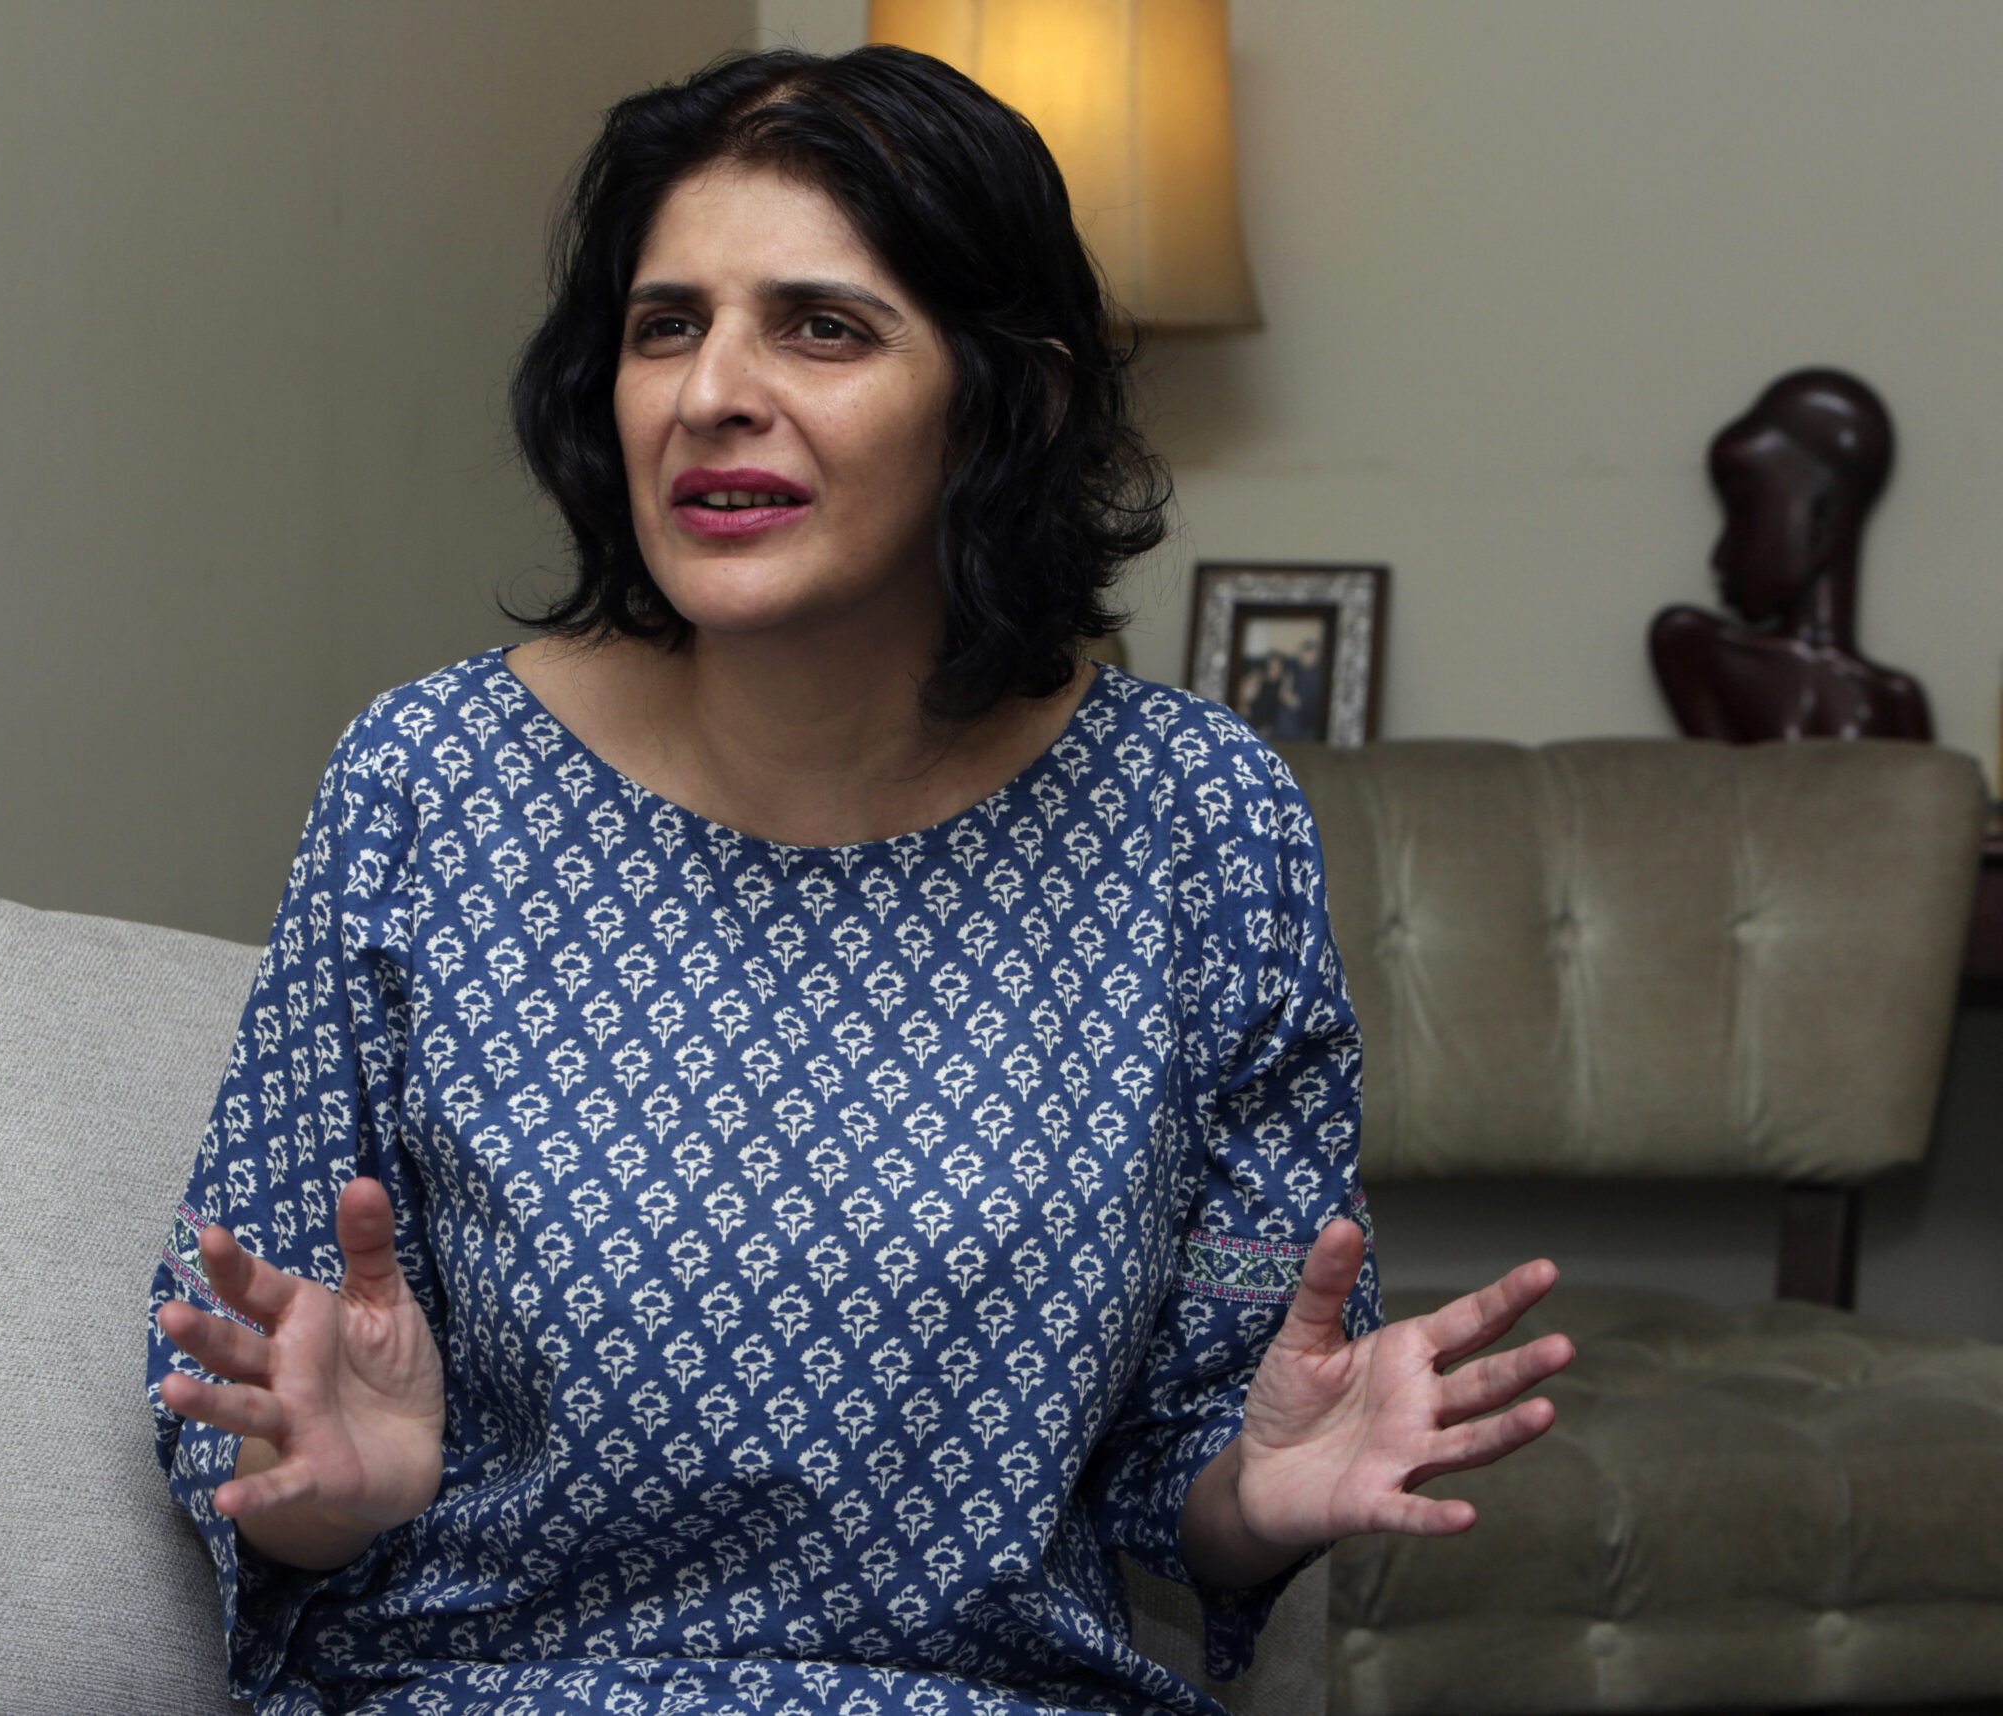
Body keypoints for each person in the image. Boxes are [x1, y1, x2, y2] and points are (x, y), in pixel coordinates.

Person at [148, 45, 1570, 1716]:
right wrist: (330, 1493)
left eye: (820, 325)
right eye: (665, 324)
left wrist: (1252, 1498)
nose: (710, 392)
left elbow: (1215, 1411)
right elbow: (252, 1363)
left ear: (1007, 395)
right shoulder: (429, 783)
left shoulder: (1205, 824)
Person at [1648, 367, 1932, 742]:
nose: (1719, 558)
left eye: (1744, 509)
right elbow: (1729, 791)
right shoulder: (1694, 648)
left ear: (1821, 521)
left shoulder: (1894, 699)